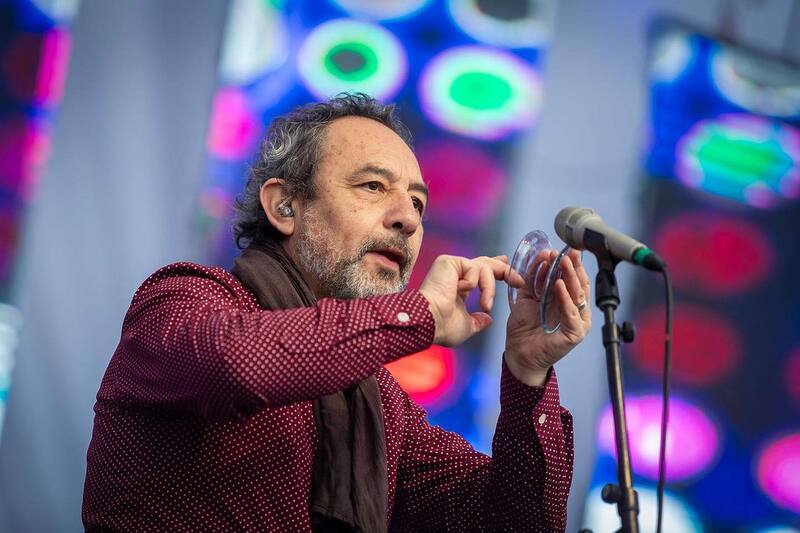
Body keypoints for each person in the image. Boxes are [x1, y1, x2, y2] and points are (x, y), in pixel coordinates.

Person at [82, 93, 592, 532]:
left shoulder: (382, 404)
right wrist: (420, 312)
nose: (408, 220)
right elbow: (238, 364)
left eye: (418, 204)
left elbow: (514, 521)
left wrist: (528, 372)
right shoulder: (183, 298)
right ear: (284, 206)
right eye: (373, 187)